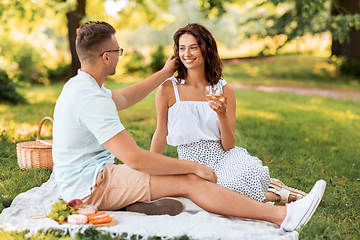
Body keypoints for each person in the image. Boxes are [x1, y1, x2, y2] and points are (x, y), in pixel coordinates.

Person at [52, 21, 326, 232]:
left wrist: (162, 74)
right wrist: (193, 166)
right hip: (91, 185)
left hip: (94, 177)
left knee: (187, 180)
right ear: (106, 56)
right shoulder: (89, 97)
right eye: (118, 50)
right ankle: (284, 216)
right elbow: (135, 158)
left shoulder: (84, 87)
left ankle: (137, 201)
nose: (120, 55)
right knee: (190, 181)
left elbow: (123, 98)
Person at [150, 23, 305, 203]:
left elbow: (229, 145)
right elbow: (160, 134)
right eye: (182, 48)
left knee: (237, 181)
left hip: (223, 158)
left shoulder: (224, 90)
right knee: (212, 193)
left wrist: (222, 115)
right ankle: (274, 195)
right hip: (189, 164)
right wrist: (151, 168)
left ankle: (269, 192)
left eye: (193, 47)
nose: (187, 54)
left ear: (206, 49)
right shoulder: (168, 89)